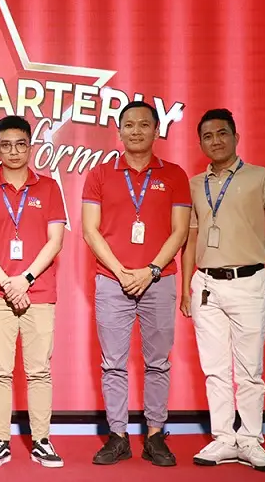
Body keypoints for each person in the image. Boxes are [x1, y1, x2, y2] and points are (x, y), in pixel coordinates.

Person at [180, 108, 265, 472]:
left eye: (222, 133)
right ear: (200, 143)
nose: (215, 141)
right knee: (215, 368)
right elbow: (190, 239)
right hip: (205, 284)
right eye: (207, 136)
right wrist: (186, 288)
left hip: (248, 282)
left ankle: (250, 440)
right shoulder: (194, 184)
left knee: (249, 369)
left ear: (236, 137)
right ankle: (223, 438)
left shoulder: (260, 176)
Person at [81, 101, 191, 467]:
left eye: (144, 124)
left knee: (158, 362)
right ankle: (118, 436)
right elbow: (90, 230)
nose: (136, 131)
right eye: (129, 125)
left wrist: (151, 270)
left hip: (159, 280)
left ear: (157, 130)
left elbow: (179, 231)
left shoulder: (174, 174)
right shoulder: (99, 174)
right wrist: (122, 271)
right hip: (112, 281)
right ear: (119, 131)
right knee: (113, 363)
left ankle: (155, 436)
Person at [0, 116, 67, 469]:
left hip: (38, 291)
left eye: (20, 144)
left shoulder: (50, 188)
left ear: (30, 146)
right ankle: (0, 441)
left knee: (39, 370)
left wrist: (24, 279)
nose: (13, 151)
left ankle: (42, 440)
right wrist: (8, 285)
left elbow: (55, 241)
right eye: (6, 145)